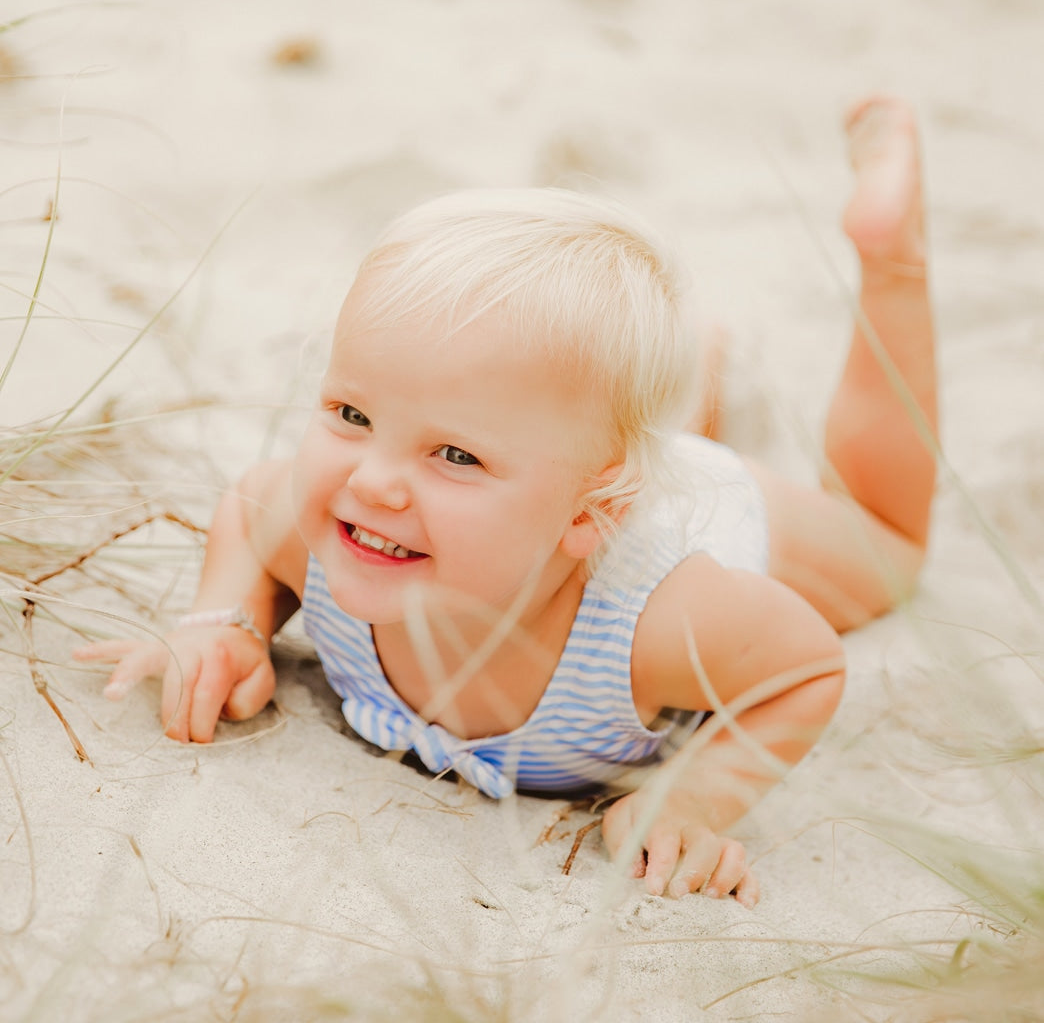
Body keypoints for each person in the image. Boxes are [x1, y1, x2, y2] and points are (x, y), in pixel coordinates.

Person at [75, 97, 937, 908]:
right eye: (352, 413)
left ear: (589, 513)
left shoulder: (661, 624)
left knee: (889, 545)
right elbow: (245, 507)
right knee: (584, 414)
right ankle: (680, 378)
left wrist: (697, 798)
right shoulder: (331, 534)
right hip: (586, 469)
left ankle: (891, 267)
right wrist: (227, 618)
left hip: (709, 508)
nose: (372, 481)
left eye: (454, 454)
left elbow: (806, 668)